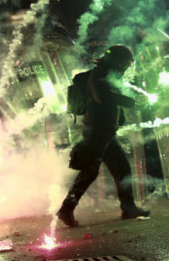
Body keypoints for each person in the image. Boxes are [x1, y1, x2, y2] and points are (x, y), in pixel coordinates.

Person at [56, 45, 150, 227]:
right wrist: (128, 101)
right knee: (89, 172)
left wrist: (119, 113)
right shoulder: (99, 75)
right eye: (124, 63)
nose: (125, 67)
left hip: (104, 132)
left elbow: (107, 100)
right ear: (116, 61)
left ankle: (128, 207)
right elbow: (102, 97)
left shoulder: (106, 74)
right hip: (97, 132)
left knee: (121, 168)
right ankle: (66, 209)